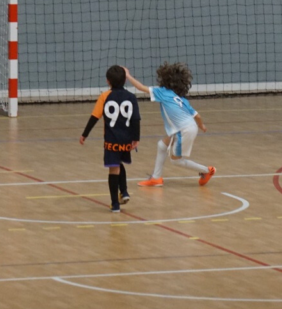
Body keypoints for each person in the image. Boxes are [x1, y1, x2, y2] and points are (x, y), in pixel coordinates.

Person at [125, 63, 216, 188]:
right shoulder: (181, 99)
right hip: (188, 127)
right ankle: (156, 178)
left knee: (176, 160)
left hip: (183, 130)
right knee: (162, 145)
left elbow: (140, 87)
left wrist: (128, 75)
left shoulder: (162, 92)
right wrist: (202, 126)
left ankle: (207, 170)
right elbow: (198, 116)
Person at [80, 65, 140, 213]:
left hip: (112, 140)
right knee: (118, 163)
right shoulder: (131, 97)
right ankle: (124, 192)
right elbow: (136, 119)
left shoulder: (104, 96)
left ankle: (115, 204)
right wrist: (136, 138)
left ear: (108, 81)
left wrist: (85, 134)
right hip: (126, 139)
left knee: (114, 168)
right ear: (125, 80)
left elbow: (94, 117)